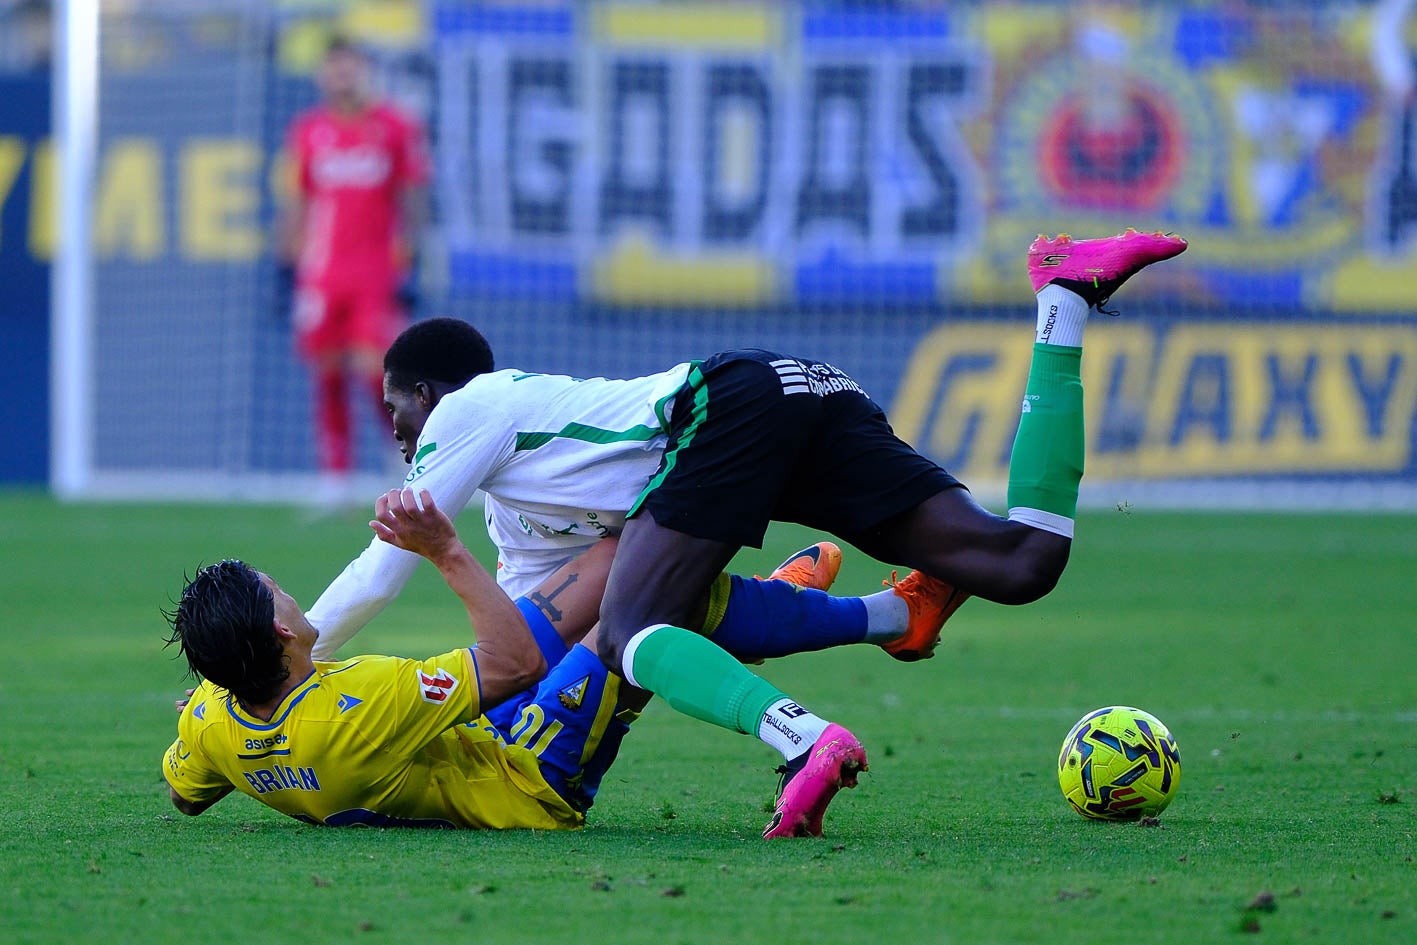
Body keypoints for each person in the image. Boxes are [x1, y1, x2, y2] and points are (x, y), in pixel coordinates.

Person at [306, 229, 1187, 836]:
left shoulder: (473, 406)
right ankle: (1065, 295)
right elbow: (533, 633)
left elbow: (382, 576)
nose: (394, 430)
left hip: (731, 401)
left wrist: (297, 670)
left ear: (430, 396)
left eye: (395, 408)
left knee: (633, 628)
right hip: (802, 392)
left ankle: (804, 737)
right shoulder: (523, 496)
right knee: (1021, 560)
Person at [162, 488, 877, 831]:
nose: (289, 591)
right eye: (276, 593)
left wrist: (224, 735)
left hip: (466, 731)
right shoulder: (360, 701)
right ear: (282, 636)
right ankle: (808, 727)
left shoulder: (211, 723)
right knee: (636, 614)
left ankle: (771, 606)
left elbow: (185, 793)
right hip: (523, 770)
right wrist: (443, 548)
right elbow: (512, 662)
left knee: (613, 558)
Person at [278, 35, 430, 503]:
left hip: (375, 272)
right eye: (333, 67)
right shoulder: (307, 131)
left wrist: (413, 261)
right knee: (326, 372)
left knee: (376, 370)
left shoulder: (395, 127)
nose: (341, 76)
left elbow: (414, 197)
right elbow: (296, 203)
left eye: (350, 67)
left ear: (366, 71)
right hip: (321, 274)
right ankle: (335, 477)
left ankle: (403, 453)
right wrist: (285, 265)